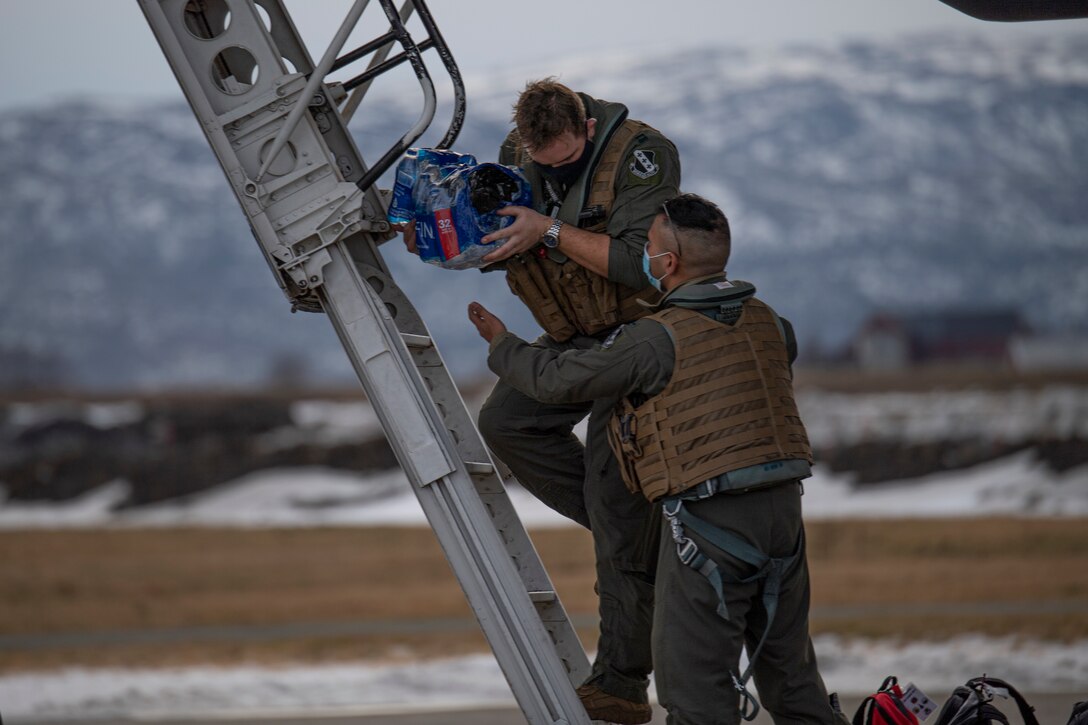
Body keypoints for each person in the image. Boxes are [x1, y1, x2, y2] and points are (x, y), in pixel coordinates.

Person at [467, 193, 846, 725]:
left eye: (647, 247)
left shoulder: (655, 338)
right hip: (784, 516)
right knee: (793, 681)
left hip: (712, 525)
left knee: (695, 691)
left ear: (667, 264)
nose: (642, 256)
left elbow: (556, 381)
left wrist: (502, 344)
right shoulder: (772, 324)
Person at [405, 78, 681, 723]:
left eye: (561, 161)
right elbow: (517, 241)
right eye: (540, 162)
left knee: (617, 504)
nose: (549, 170)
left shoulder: (643, 156)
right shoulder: (518, 151)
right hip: (573, 333)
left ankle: (619, 684)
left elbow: (643, 266)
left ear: (586, 128)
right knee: (506, 422)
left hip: (639, 336)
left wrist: (547, 230)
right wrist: (469, 240)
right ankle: (634, 536)